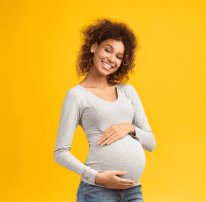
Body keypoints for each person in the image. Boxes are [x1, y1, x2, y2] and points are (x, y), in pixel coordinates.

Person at [53, 18, 156, 202]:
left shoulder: (127, 91)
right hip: (97, 191)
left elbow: (151, 143)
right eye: (108, 50)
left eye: (118, 56)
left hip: (133, 190)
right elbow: (60, 152)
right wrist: (97, 177)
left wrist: (129, 128)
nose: (111, 59)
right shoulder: (77, 96)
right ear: (94, 47)